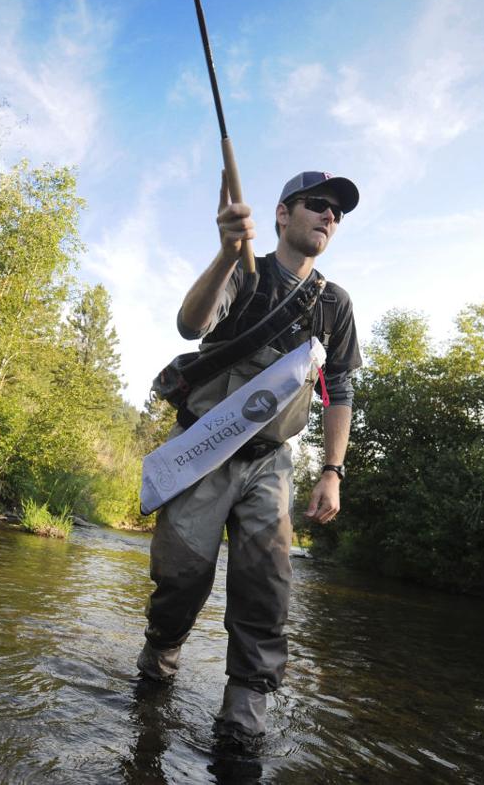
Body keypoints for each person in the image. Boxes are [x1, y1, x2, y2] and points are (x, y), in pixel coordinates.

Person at [137, 170, 362, 744]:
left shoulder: (336, 306)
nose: (328, 217)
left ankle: (243, 715)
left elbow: (340, 389)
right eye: (317, 205)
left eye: (336, 212)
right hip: (204, 450)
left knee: (267, 582)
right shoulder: (244, 271)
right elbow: (191, 324)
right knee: (183, 576)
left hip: (271, 462)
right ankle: (160, 657)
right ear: (283, 215)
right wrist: (224, 253)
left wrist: (332, 471)